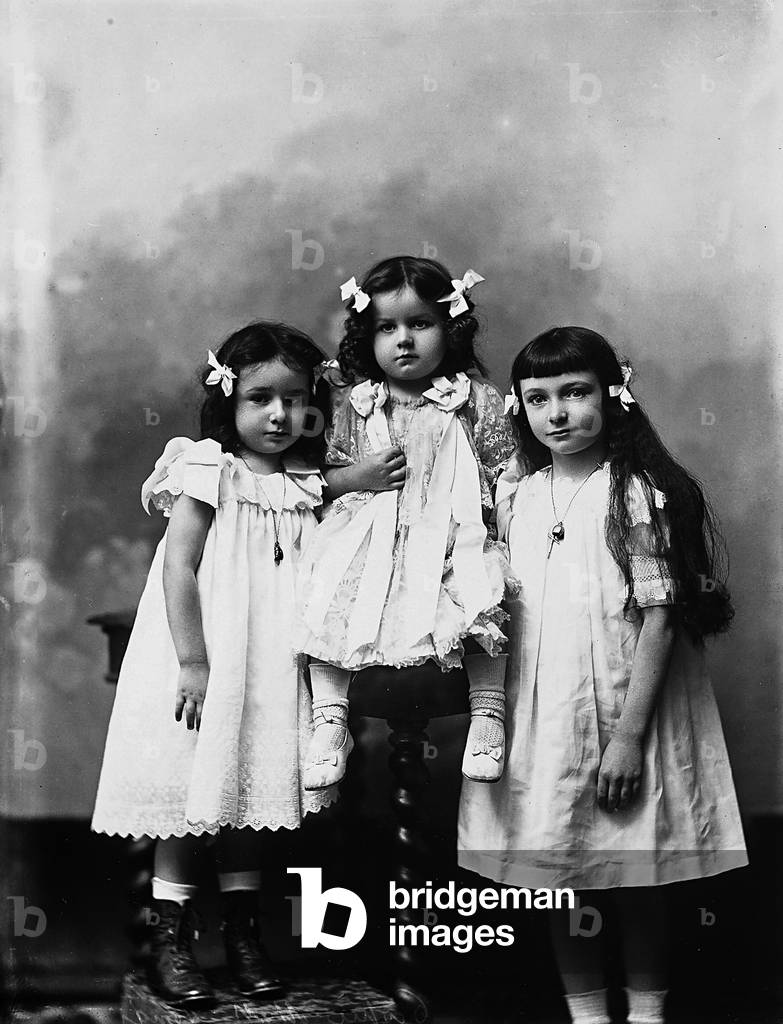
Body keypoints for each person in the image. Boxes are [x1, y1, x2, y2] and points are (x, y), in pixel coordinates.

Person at [458, 327, 747, 1024]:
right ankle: (586, 1016)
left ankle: (646, 1014)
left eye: (575, 393)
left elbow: (659, 619)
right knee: (561, 871)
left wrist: (627, 738)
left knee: (635, 870)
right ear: (519, 408)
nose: (557, 413)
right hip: (547, 707)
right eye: (538, 399)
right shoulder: (519, 496)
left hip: (626, 702)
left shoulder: (634, 494)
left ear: (611, 395)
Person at [92, 322, 337, 1008]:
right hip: (209, 654)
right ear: (228, 401)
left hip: (270, 660)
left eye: (294, 399)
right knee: (190, 801)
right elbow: (179, 566)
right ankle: (171, 941)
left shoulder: (303, 481)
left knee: (249, 804)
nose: (279, 414)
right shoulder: (208, 470)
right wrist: (194, 660)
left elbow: (336, 497)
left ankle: (242, 935)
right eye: (260, 398)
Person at [296, 256, 518, 789]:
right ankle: (330, 718)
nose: (404, 340)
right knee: (327, 593)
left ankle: (488, 711)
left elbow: (504, 472)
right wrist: (359, 476)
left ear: (450, 327)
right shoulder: (355, 403)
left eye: (420, 323)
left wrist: (495, 530)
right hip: (370, 535)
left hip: (449, 534)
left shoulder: (473, 399)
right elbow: (324, 478)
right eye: (386, 328)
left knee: (479, 588)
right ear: (366, 336)